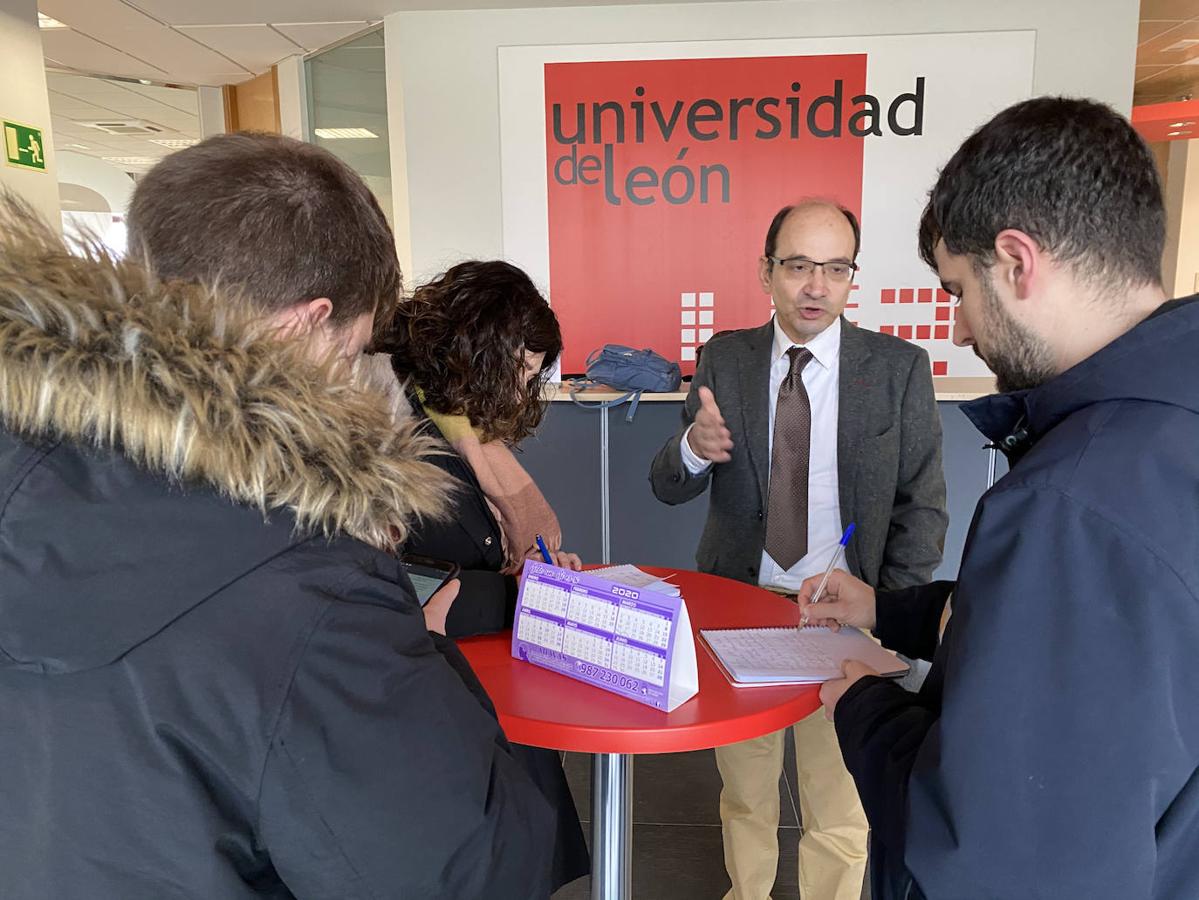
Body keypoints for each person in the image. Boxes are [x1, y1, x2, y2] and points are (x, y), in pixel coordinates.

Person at [0, 134, 556, 898]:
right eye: (354, 349)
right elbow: (474, 872)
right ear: (304, 324)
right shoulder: (314, 584)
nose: (357, 384)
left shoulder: (25, 456)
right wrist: (426, 657)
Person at [799, 97, 1199, 900]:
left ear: (1016, 262)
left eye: (955, 291)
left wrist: (865, 711)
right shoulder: (1166, 431)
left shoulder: (1069, 505)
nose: (955, 329)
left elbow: (996, 852)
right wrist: (890, 610)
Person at [649, 200, 948, 900]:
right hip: (739, 611)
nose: (816, 285)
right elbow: (666, 484)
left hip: (844, 620)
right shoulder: (725, 357)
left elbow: (922, 506)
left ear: (852, 279)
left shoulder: (898, 369)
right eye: (798, 266)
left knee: (839, 806)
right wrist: (693, 448)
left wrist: (885, 612)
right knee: (744, 792)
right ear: (766, 272)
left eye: (835, 268)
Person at [383, 259, 590, 890]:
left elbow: (480, 543)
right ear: (482, 353)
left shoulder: (452, 421)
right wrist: (521, 591)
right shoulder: (392, 433)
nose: (524, 392)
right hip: (430, 702)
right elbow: (406, 584)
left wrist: (533, 569)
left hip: (477, 679)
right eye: (521, 373)